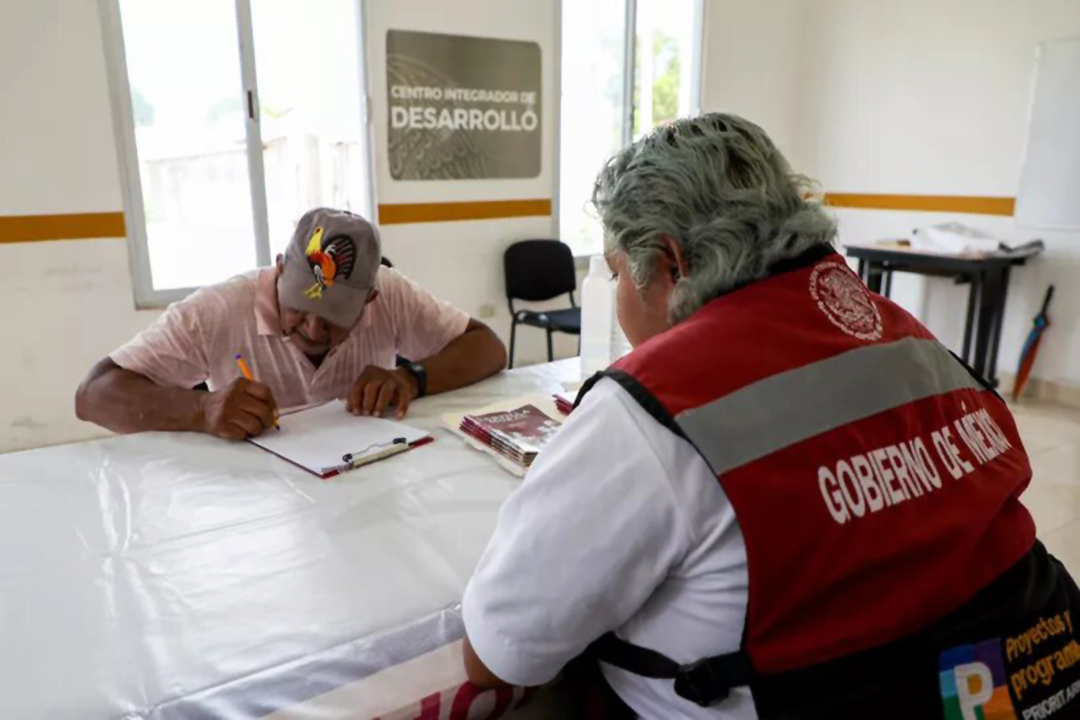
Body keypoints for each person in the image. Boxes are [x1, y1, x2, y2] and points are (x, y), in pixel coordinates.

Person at [460, 115, 1080, 719]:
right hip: (1034, 673)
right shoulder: (907, 335)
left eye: (619, 273)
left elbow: (499, 656)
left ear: (673, 264)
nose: (619, 296)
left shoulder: (653, 403)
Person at [76, 208, 507, 439]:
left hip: (366, 491)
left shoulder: (390, 294)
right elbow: (93, 395)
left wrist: (412, 378)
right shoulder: (219, 310)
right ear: (280, 271)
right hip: (257, 508)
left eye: (337, 317)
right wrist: (202, 409)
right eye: (301, 307)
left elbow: (488, 347)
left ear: (370, 298)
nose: (315, 331)